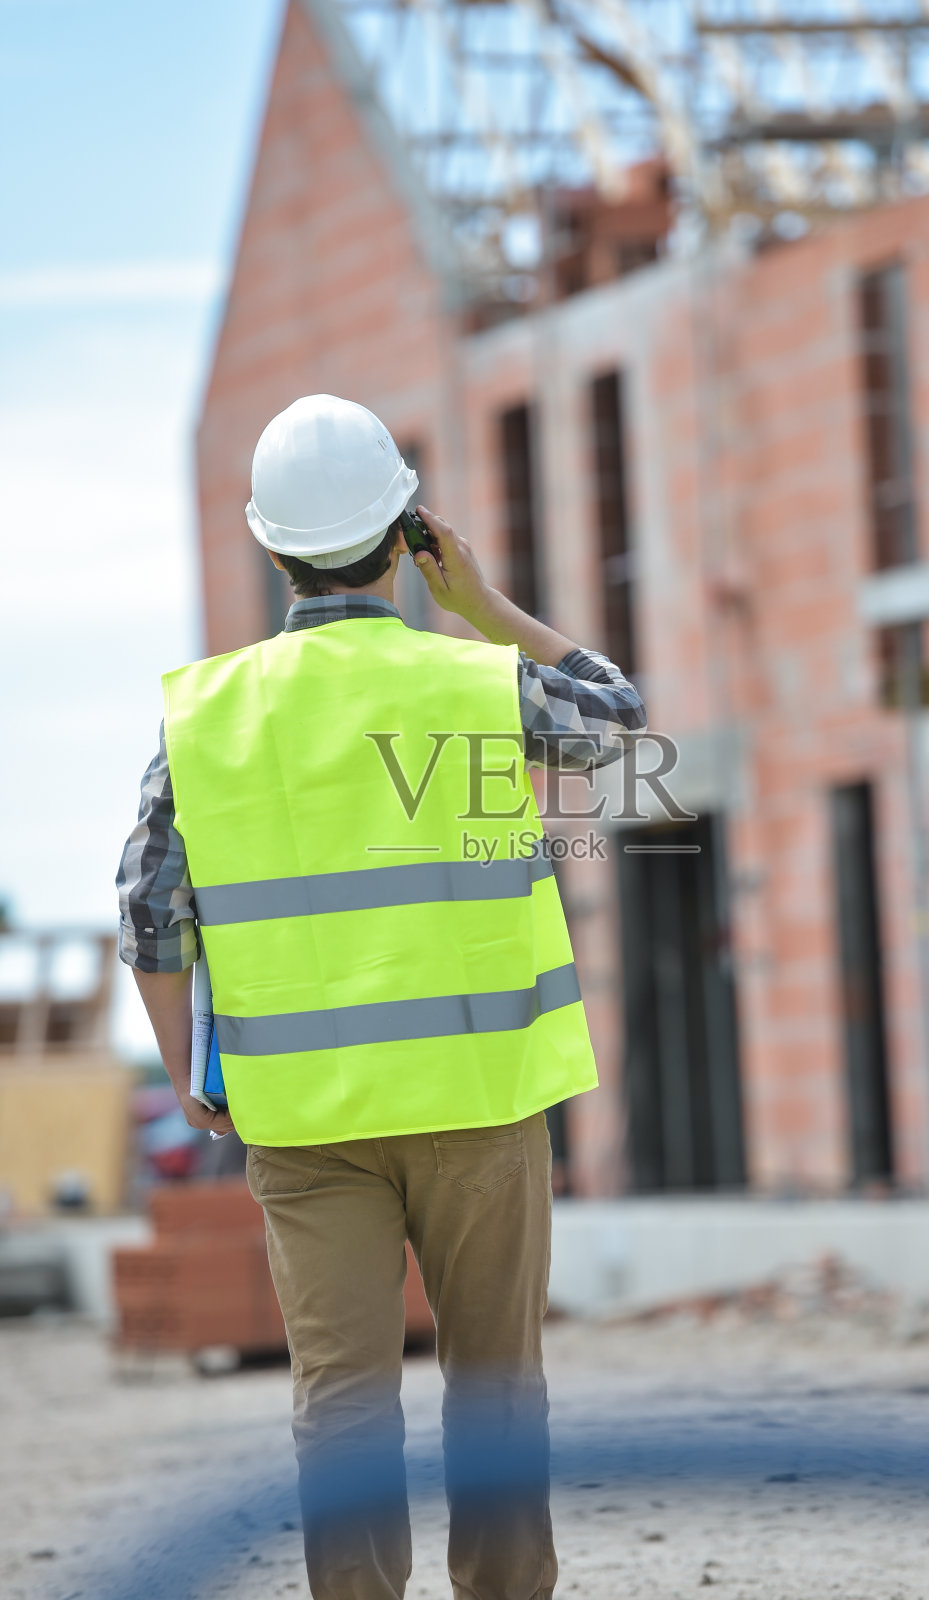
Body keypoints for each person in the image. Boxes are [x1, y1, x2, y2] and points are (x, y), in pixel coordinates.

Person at [117, 393, 646, 1600]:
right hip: (482, 1105)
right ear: (409, 530)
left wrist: (195, 1078)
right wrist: (481, 604)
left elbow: (149, 910)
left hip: (306, 1126)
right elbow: (618, 715)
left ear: (268, 545)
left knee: (342, 1412)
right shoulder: (478, 685)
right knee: (498, 1392)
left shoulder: (203, 718)